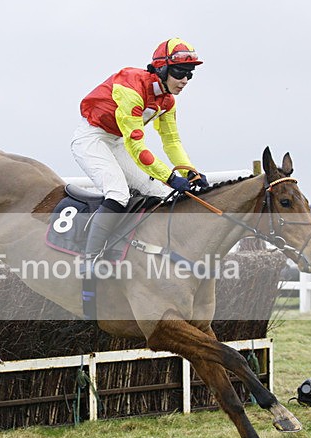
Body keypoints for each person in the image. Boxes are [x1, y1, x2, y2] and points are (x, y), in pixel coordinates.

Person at [71, 38, 208, 272]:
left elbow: (172, 142)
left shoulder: (168, 101)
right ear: (162, 69)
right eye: (179, 72)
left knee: (163, 194)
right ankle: (89, 259)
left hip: (117, 142)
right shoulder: (130, 87)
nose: (185, 80)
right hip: (92, 139)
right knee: (117, 192)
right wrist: (171, 176)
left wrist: (190, 172)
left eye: (190, 74)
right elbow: (136, 148)